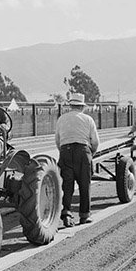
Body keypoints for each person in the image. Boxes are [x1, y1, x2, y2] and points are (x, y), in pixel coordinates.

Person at [55, 92, 100, 226]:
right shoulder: (88, 119)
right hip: (82, 151)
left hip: (65, 151)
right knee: (84, 185)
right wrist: (90, 153)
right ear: (82, 107)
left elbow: (58, 140)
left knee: (67, 186)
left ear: (71, 106)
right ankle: (84, 215)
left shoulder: (61, 119)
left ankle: (67, 214)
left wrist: (64, 152)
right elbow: (95, 142)